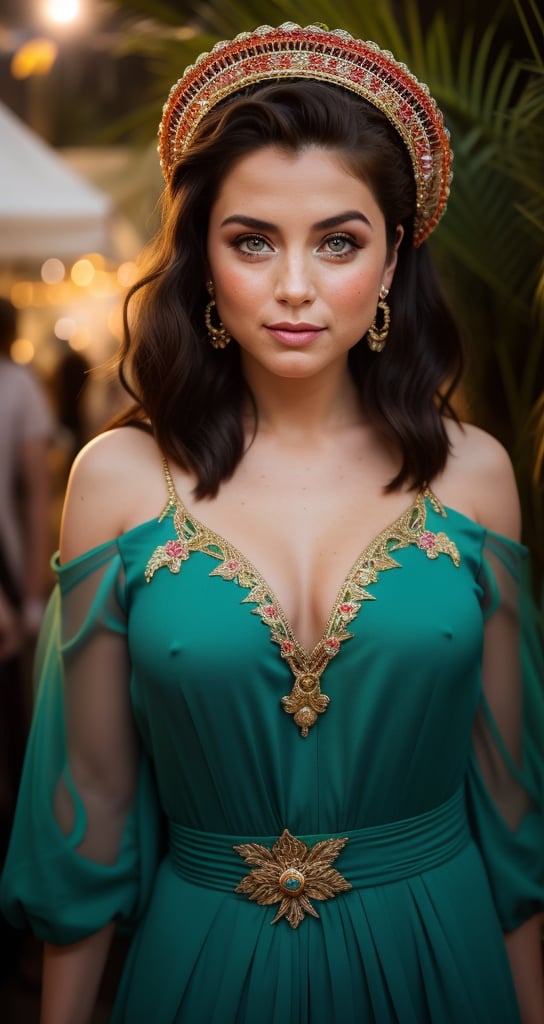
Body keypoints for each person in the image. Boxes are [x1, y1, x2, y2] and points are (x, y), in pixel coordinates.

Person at [1, 22, 543, 1024]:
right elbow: (89, 804)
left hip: (442, 957)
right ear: (203, 261)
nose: (294, 284)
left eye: (338, 241)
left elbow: (512, 810)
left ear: (391, 265)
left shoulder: (475, 477)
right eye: (253, 240)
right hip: (198, 968)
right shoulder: (117, 478)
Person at [0, 296, 55, 983]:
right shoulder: (18, 384)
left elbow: (38, 495)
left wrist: (32, 594)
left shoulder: (17, 385)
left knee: (14, 755)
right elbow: (38, 494)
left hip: (7, 599)